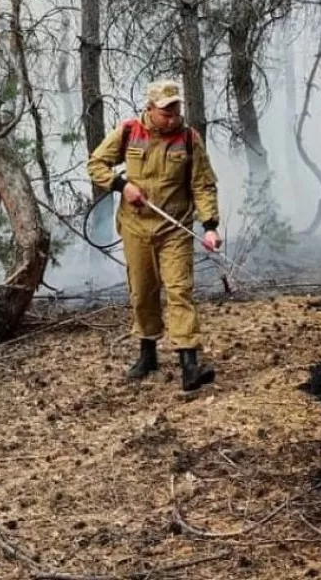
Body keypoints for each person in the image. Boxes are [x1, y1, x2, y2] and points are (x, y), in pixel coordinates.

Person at [87, 79, 222, 391]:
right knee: (143, 291)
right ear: (150, 109)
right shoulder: (128, 131)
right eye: (165, 113)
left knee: (179, 290)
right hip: (136, 228)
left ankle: (189, 364)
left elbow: (203, 184)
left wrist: (210, 226)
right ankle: (147, 354)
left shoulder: (189, 139)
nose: (172, 118)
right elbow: (96, 164)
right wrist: (122, 186)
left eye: (175, 111)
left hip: (175, 227)